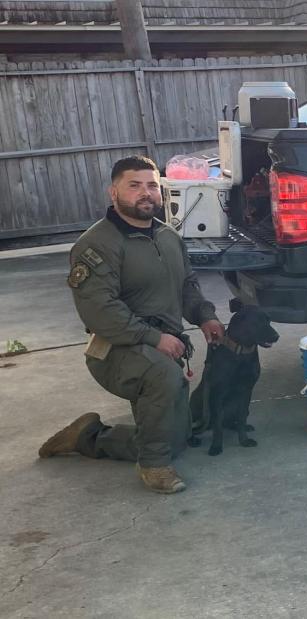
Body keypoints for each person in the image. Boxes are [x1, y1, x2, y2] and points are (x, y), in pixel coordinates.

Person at [38, 155, 225, 493]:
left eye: (152, 185)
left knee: (178, 439)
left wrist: (205, 316)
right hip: (114, 352)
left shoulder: (168, 237)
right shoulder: (96, 244)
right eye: (134, 185)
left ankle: (88, 437)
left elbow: (187, 287)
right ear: (114, 193)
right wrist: (154, 338)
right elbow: (100, 310)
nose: (145, 193)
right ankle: (154, 467)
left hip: (159, 348)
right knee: (163, 375)